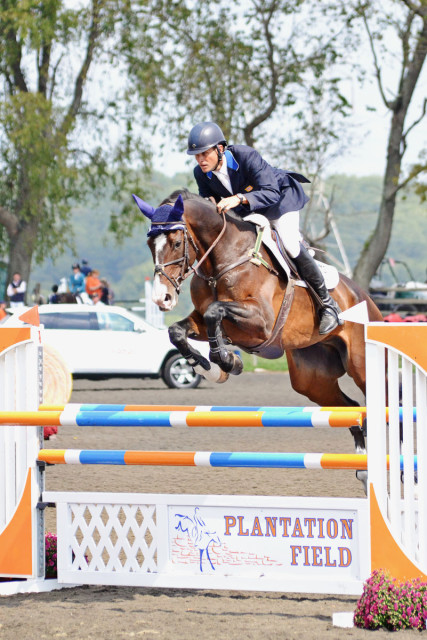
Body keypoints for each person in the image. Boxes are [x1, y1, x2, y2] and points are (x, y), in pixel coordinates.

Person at [186, 121, 342, 334]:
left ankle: (328, 305)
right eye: (197, 156)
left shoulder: (246, 156)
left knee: (289, 243)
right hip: (248, 211)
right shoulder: (200, 173)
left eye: (205, 154)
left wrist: (238, 198)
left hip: (280, 201)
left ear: (220, 149)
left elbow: (271, 192)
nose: (201, 160)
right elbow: (209, 202)